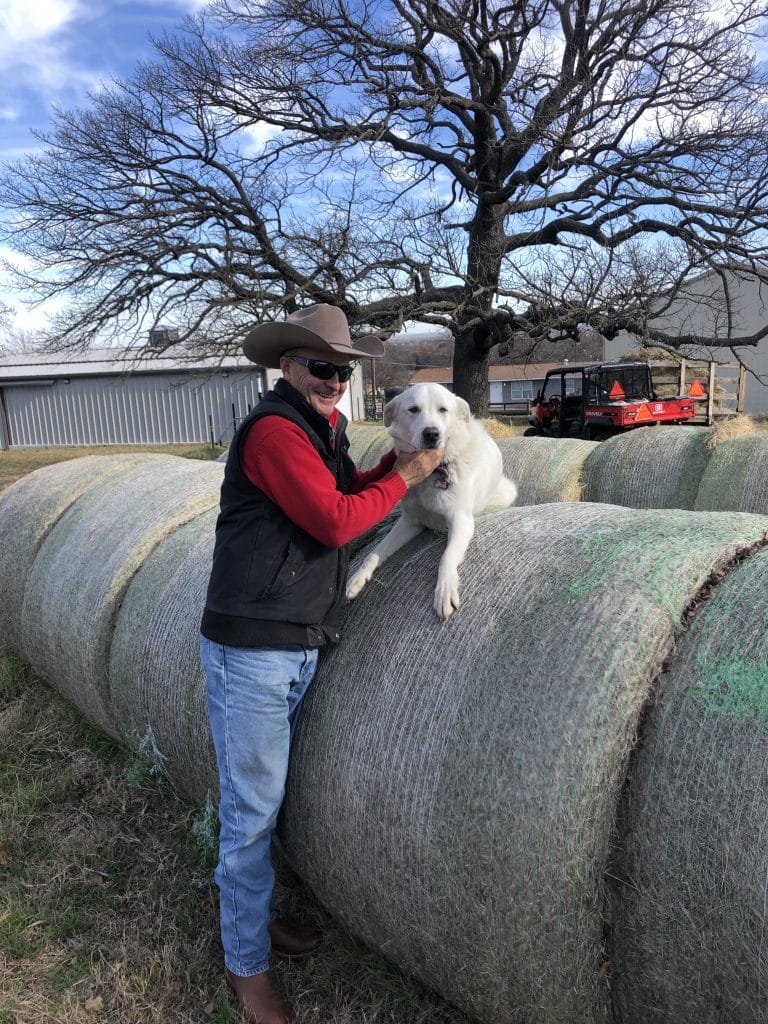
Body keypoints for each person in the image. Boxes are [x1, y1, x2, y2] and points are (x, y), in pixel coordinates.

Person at [199, 304, 444, 1024]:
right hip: (253, 648)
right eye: (321, 368)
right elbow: (336, 520)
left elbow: (342, 493)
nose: (335, 381)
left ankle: (255, 913)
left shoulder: (323, 428)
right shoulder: (275, 430)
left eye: (343, 371)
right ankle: (246, 968)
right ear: (288, 366)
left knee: (266, 803)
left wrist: (388, 468)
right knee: (249, 816)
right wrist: (407, 479)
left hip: (296, 636)